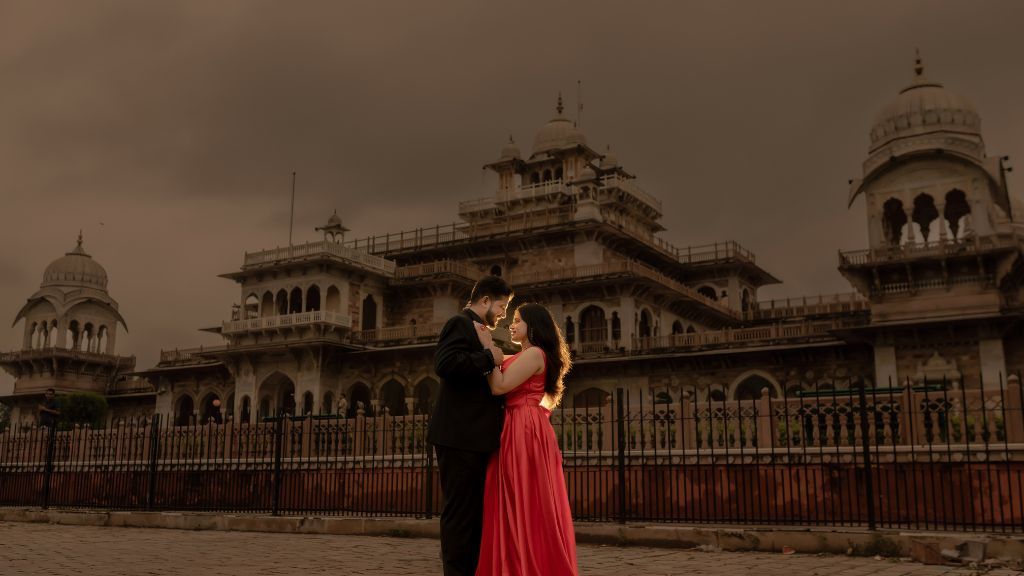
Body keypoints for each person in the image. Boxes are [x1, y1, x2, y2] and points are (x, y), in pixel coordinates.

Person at [474, 302, 577, 575]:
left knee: (525, 495)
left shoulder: (535, 355)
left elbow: (499, 386)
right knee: (513, 494)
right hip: (516, 425)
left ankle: (528, 563)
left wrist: (487, 347)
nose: (512, 325)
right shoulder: (522, 355)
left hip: (524, 427)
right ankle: (515, 560)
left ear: (534, 326)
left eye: (518, 320)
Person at [428, 275, 513, 576]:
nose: (504, 314)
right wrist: (490, 356)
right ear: (486, 300)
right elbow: (446, 364)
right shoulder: (460, 323)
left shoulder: (480, 331)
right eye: (502, 306)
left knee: (473, 513)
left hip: (472, 438)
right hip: (459, 436)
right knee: (460, 513)